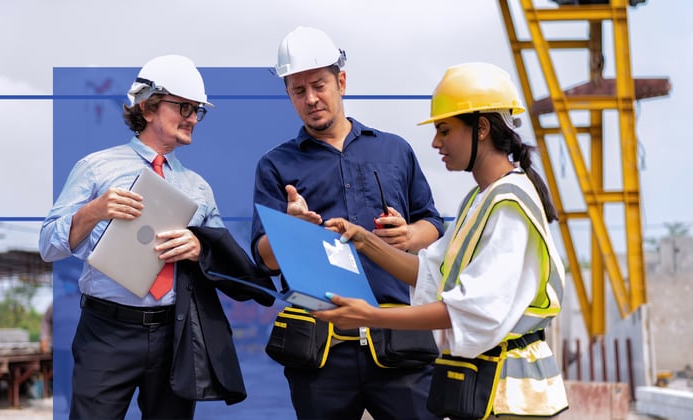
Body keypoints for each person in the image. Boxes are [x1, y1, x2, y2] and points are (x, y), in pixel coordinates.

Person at [315, 62, 569, 418]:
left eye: (444, 130)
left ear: (481, 128)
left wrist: (373, 317)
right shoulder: (479, 200)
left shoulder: (509, 205)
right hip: (485, 389)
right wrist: (364, 241)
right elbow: (430, 275)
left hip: (513, 395)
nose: (435, 143)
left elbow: (471, 309)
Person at [39, 54, 275, 420]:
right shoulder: (95, 168)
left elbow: (234, 268)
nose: (193, 118)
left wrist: (201, 249)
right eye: (184, 107)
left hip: (174, 336)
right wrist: (93, 211)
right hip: (107, 332)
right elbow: (48, 247)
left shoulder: (198, 189)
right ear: (148, 108)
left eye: (198, 110)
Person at [251, 26, 445, 420]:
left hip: (399, 347)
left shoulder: (394, 150)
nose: (311, 99)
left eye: (319, 85)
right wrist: (291, 231)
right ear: (288, 94)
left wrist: (409, 235)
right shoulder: (275, 165)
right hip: (321, 355)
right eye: (298, 91)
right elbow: (265, 260)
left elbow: (432, 224)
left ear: (341, 81)